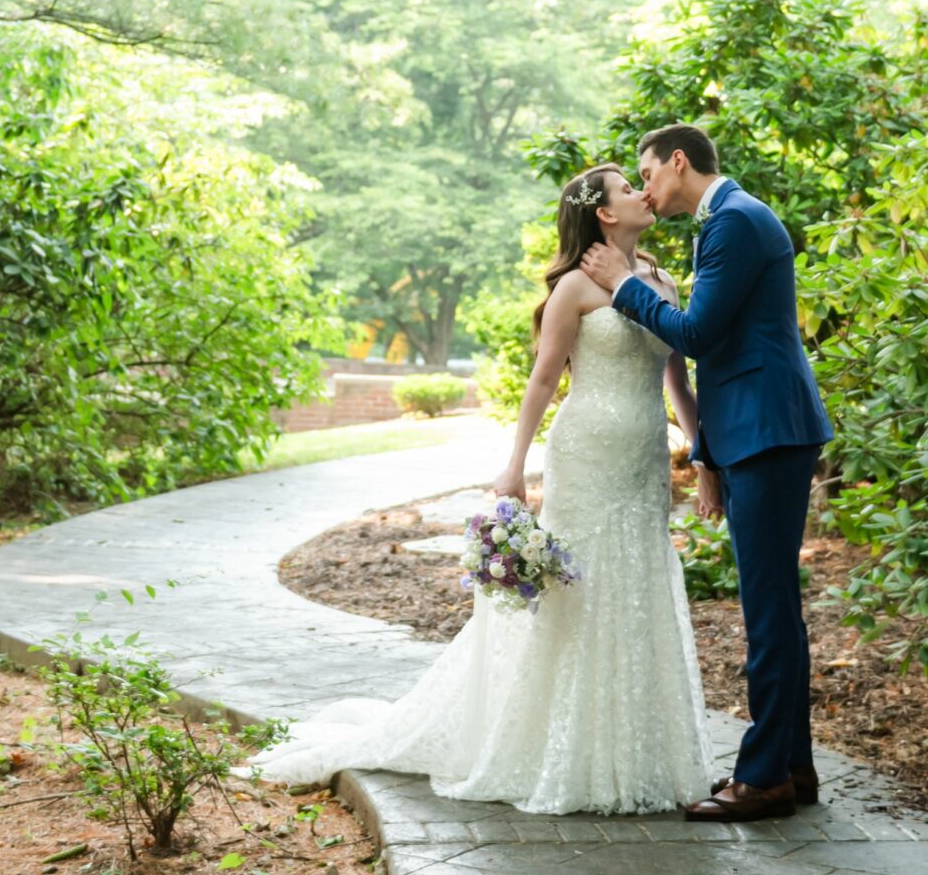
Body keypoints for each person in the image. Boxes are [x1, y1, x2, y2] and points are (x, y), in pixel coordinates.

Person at [248, 164, 716, 814]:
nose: (644, 192)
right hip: (587, 456)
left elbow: (678, 377)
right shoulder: (576, 287)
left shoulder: (661, 279)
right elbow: (543, 380)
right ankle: (560, 750)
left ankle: (636, 754)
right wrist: (514, 466)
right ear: (605, 215)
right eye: (626, 187)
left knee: (634, 587)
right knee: (575, 594)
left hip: (641, 461)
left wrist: (704, 456)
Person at [580, 123, 833, 822]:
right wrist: (708, 455)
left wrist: (625, 283)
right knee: (774, 606)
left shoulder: (737, 223)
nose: (647, 187)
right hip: (754, 433)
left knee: (769, 610)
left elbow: (696, 335)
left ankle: (764, 779)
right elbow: (719, 355)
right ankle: (791, 763)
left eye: (648, 173)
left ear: (678, 162)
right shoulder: (725, 221)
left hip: (769, 432)